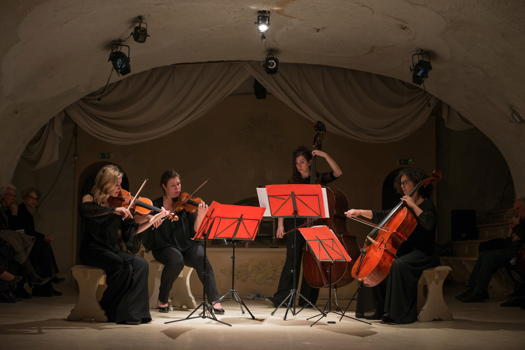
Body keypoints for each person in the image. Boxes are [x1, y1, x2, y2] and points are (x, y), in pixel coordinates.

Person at [345, 167, 438, 324]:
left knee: (398, 265)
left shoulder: (427, 205)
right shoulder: (404, 207)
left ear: (417, 183)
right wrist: (360, 211)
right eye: (401, 184)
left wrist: (414, 206)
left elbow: (429, 224)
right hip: (406, 251)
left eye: (405, 183)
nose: (402, 187)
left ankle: (399, 314)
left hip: (424, 253)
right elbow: (382, 216)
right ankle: (378, 310)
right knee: (379, 264)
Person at [79, 165, 169, 324]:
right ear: (106, 182)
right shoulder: (90, 198)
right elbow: (87, 210)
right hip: (93, 249)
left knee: (141, 264)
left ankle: (134, 314)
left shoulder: (121, 204)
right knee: (122, 267)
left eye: (120, 184)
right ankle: (107, 306)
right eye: (116, 184)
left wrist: (151, 220)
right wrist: (113, 210)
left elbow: (131, 232)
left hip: (111, 250)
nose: (119, 188)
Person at [267, 146, 343, 308]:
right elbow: (283, 204)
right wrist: (280, 225)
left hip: (314, 224)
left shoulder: (318, 178)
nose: (299, 165)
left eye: (302, 162)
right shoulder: (292, 181)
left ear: (309, 162)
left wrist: (323, 154)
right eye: (297, 163)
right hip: (294, 224)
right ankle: (282, 298)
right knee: (291, 261)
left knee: (312, 262)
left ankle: (306, 300)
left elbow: (338, 172)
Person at [142, 170, 224, 314]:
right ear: (164, 187)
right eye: (173, 185)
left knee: (201, 257)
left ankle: (214, 300)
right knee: (176, 259)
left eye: (179, 184)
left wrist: (201, 215)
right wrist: (152, 220)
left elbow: (197, 232)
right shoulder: (155, 206)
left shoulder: (186, 205)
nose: (177, 188)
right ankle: (163, 298)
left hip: (186, 244)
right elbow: (145, 226)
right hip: (163, 246)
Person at [456, 197, 525, 304]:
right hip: (511, 248)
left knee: (489, 257)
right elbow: (512, 239)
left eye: (518, 208)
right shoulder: (520, 221)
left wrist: (517, 227)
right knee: (484, 254)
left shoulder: (521, 222)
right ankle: (473, 288)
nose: (516, 211)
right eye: (515, 208)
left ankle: (479, 292)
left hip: (517, 252)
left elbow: (520, 237)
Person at [16, 188, 62, 296]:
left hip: (28, 242)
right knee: (43, 247)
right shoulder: (20, 210)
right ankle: (51, 277)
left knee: (44, 247)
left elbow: (30, 232)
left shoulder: (27, 212)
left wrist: (43, 237)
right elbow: (25, 232)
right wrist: (43, 237)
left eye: (35, 199)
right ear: (25, 198)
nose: (34, 201)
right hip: (22, 243)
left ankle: (49, 282)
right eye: (31, 198)